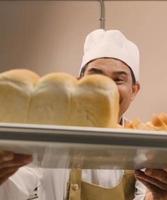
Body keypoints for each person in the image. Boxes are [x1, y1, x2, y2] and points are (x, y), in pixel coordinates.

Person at [0, 29, 150, 200]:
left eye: (118, 80)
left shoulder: (142, 146)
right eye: (96, 77)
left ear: (134, 91)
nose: (106, 88)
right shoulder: (48, 138)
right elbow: (11, 191)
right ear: (78, 83)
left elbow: (149, 195)